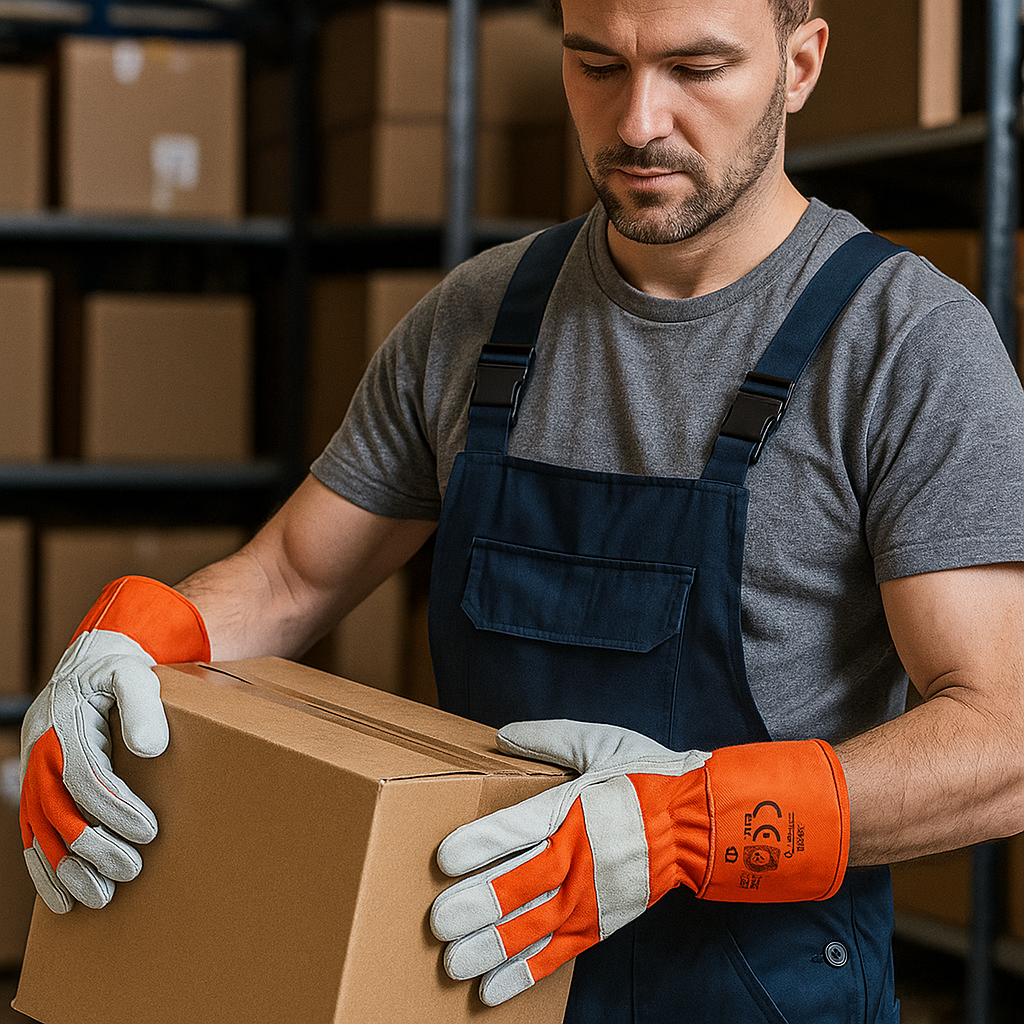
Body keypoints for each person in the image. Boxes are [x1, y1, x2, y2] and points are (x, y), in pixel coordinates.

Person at [19, 0, 1024, 1020]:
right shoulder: (478, 318)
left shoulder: (906, 344)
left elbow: (1002, 742)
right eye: (597, 65)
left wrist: (691, 824)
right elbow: (291, 577)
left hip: (756, 995)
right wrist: (133, 638)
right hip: (476, 972)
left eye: (695, 69)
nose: (637, 121)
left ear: (799, 65)